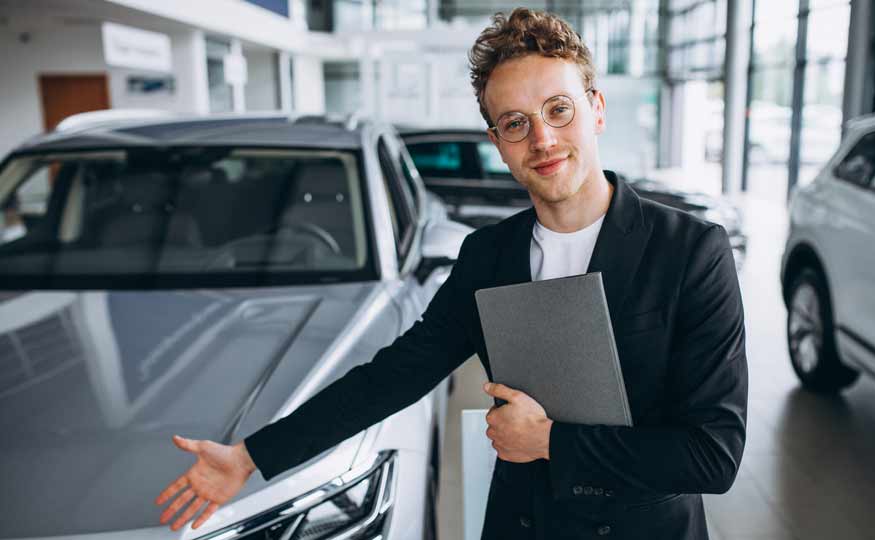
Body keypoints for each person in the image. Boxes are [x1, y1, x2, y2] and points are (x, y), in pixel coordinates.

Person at [155, 8, 747, 539]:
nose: (542, 139)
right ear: (497, 142)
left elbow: (713, 455)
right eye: (515, 123)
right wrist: (250, 456)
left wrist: (548, 441)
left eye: (558, 109)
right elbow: (394, 375)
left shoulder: (691, 252)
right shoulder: (489, 254)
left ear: (595, 108)